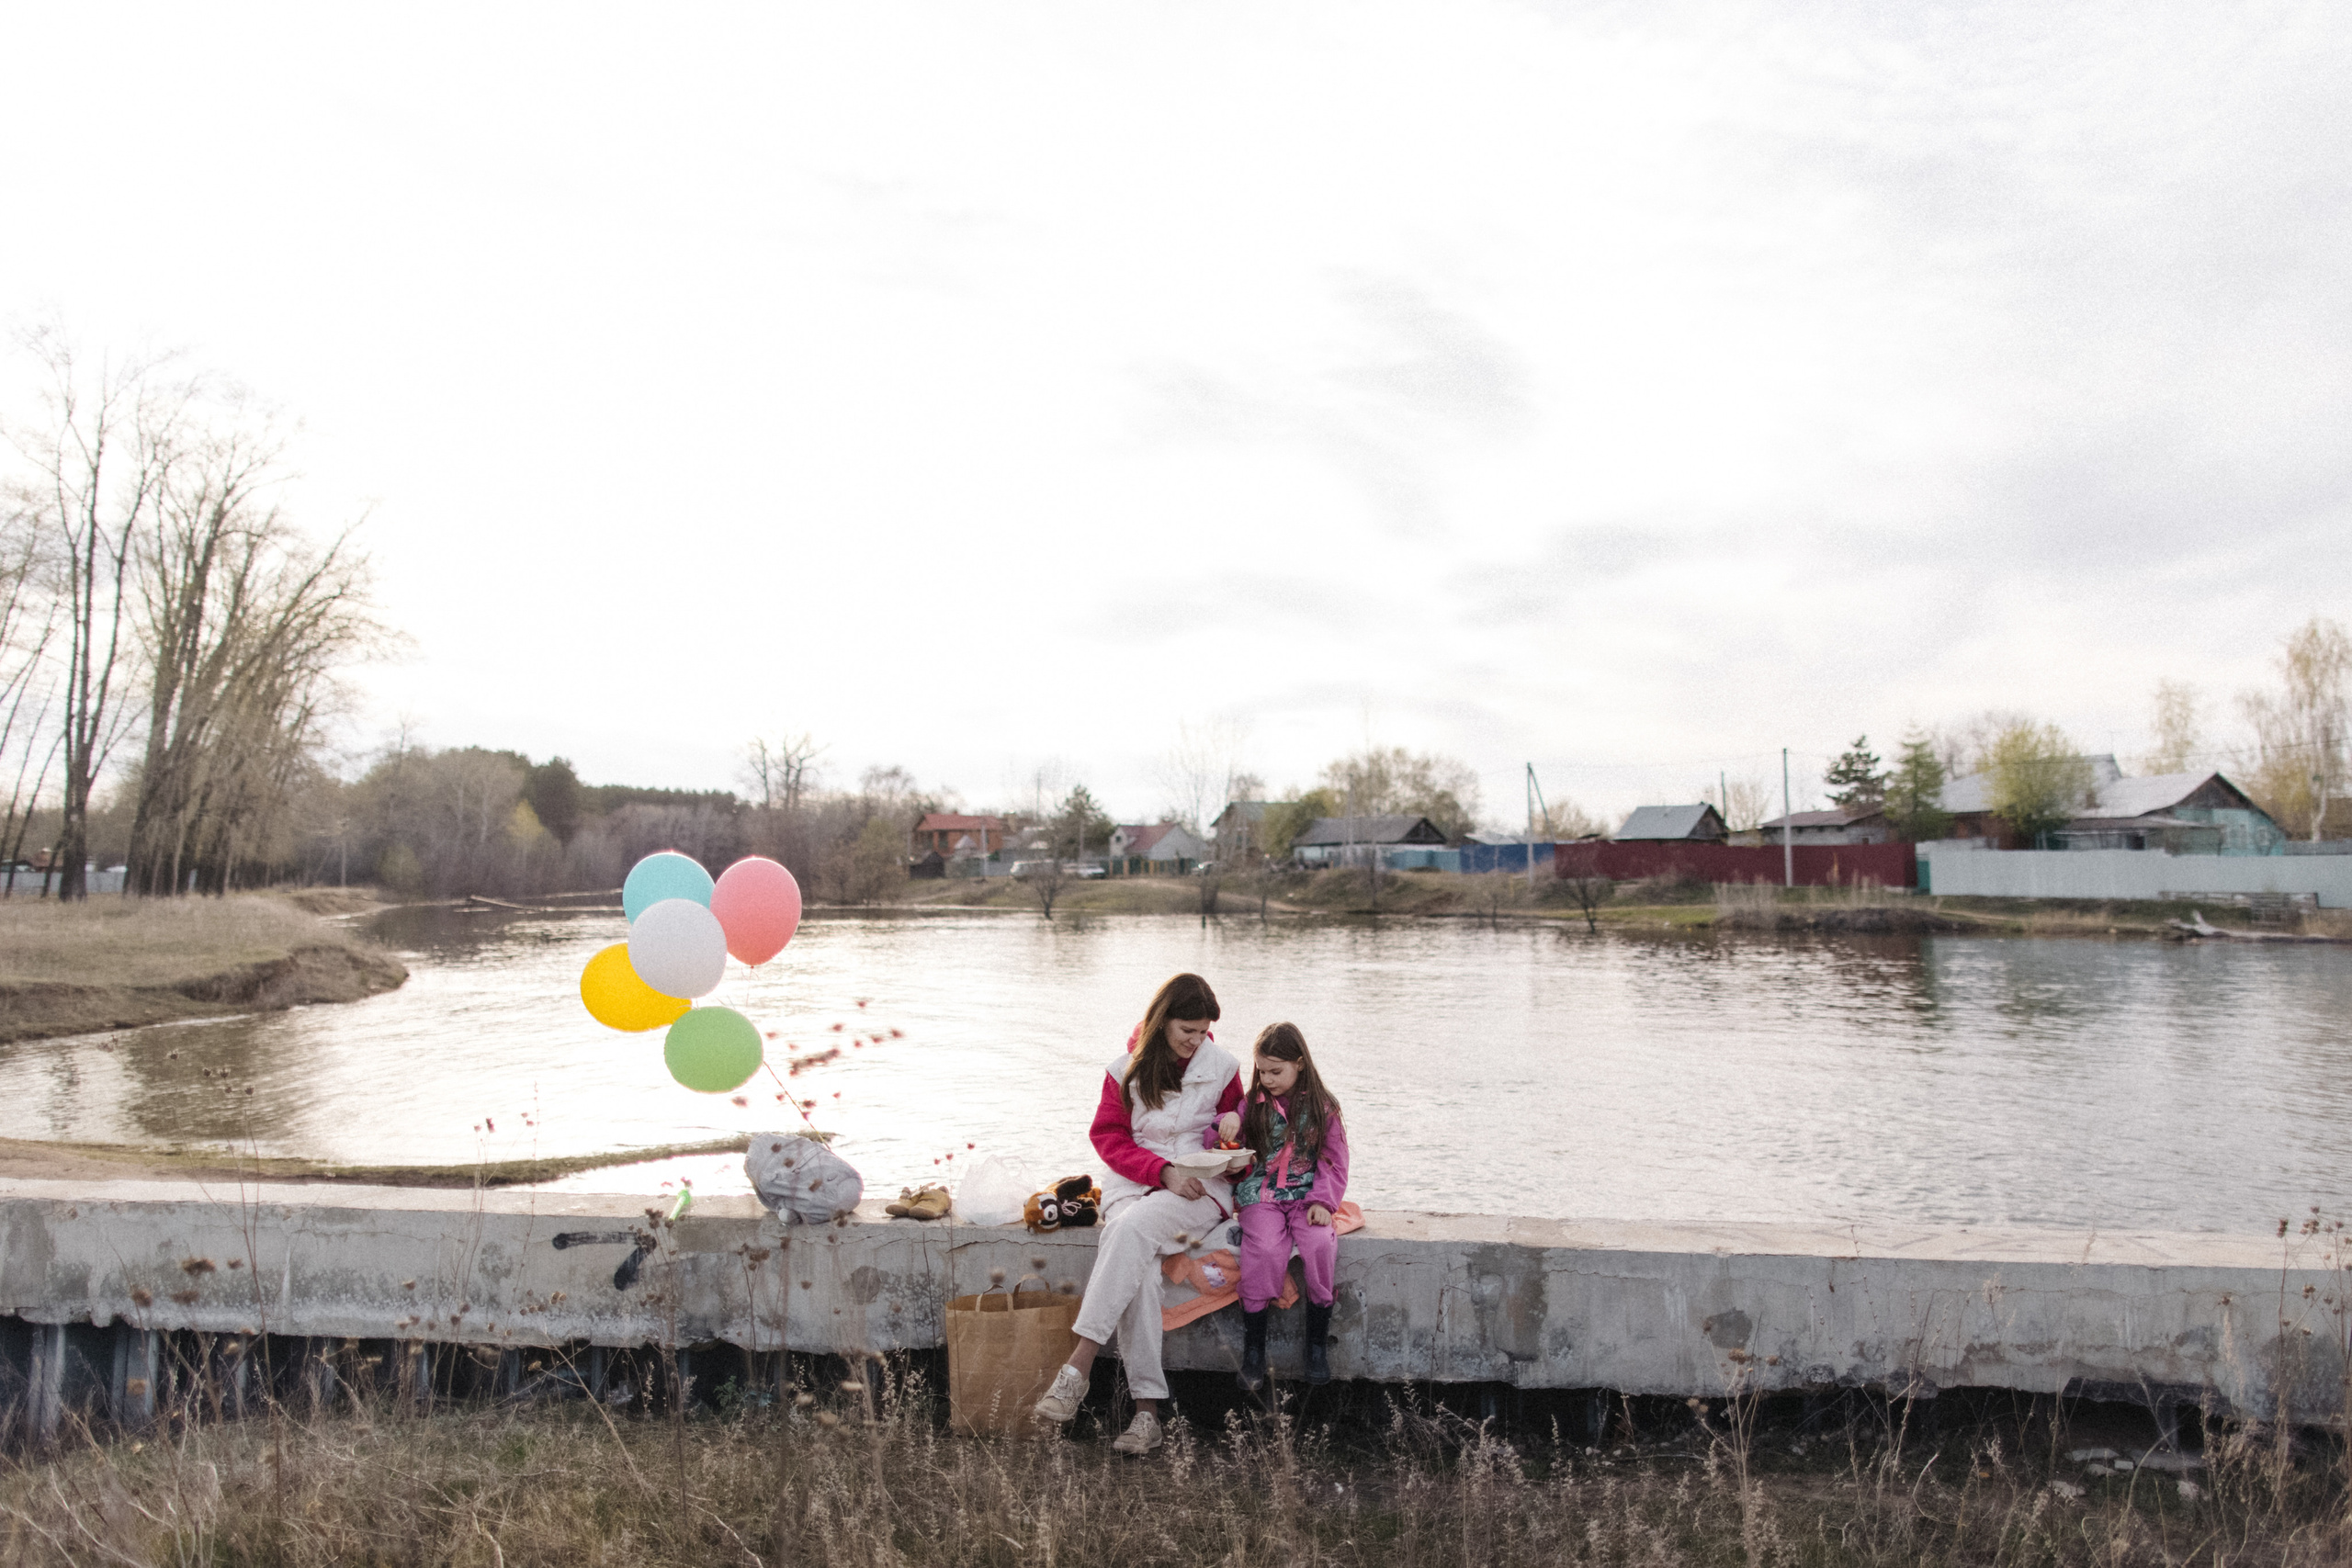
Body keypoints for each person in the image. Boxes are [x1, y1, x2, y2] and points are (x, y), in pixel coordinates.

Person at [1033, 972, 1245, 1455]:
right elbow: (1108, 1137)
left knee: (1128, 1231)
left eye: (1203, 1031)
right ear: (1162, 1020)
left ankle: (1079, 1365)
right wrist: (1160, 1171)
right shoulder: (1123, 1070)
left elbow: (1235, 1136)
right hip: (1135, 1181)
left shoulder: (1224, 1067)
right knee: (1142, 1272)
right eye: (1187, 1030)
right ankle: (1147, 1415)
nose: (1196, 1040)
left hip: (1198, 1187)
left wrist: (1232, 1153)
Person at [1216, 1021, 1348, 1391]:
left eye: (1276, 1071)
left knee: (1319, 1243)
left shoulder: (1324, 1108)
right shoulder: (1251, 1105)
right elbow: (1230, 1148)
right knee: (1263, 1248)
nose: (1268, 1079)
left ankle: (1316, 1347)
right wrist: (1226, 1122)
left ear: (1299, 1063)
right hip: (1262, 1196)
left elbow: (1334, 1160)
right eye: (1262, 1071)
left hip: (1308, 1195)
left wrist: (1323, 1201)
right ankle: (1254, 1351)